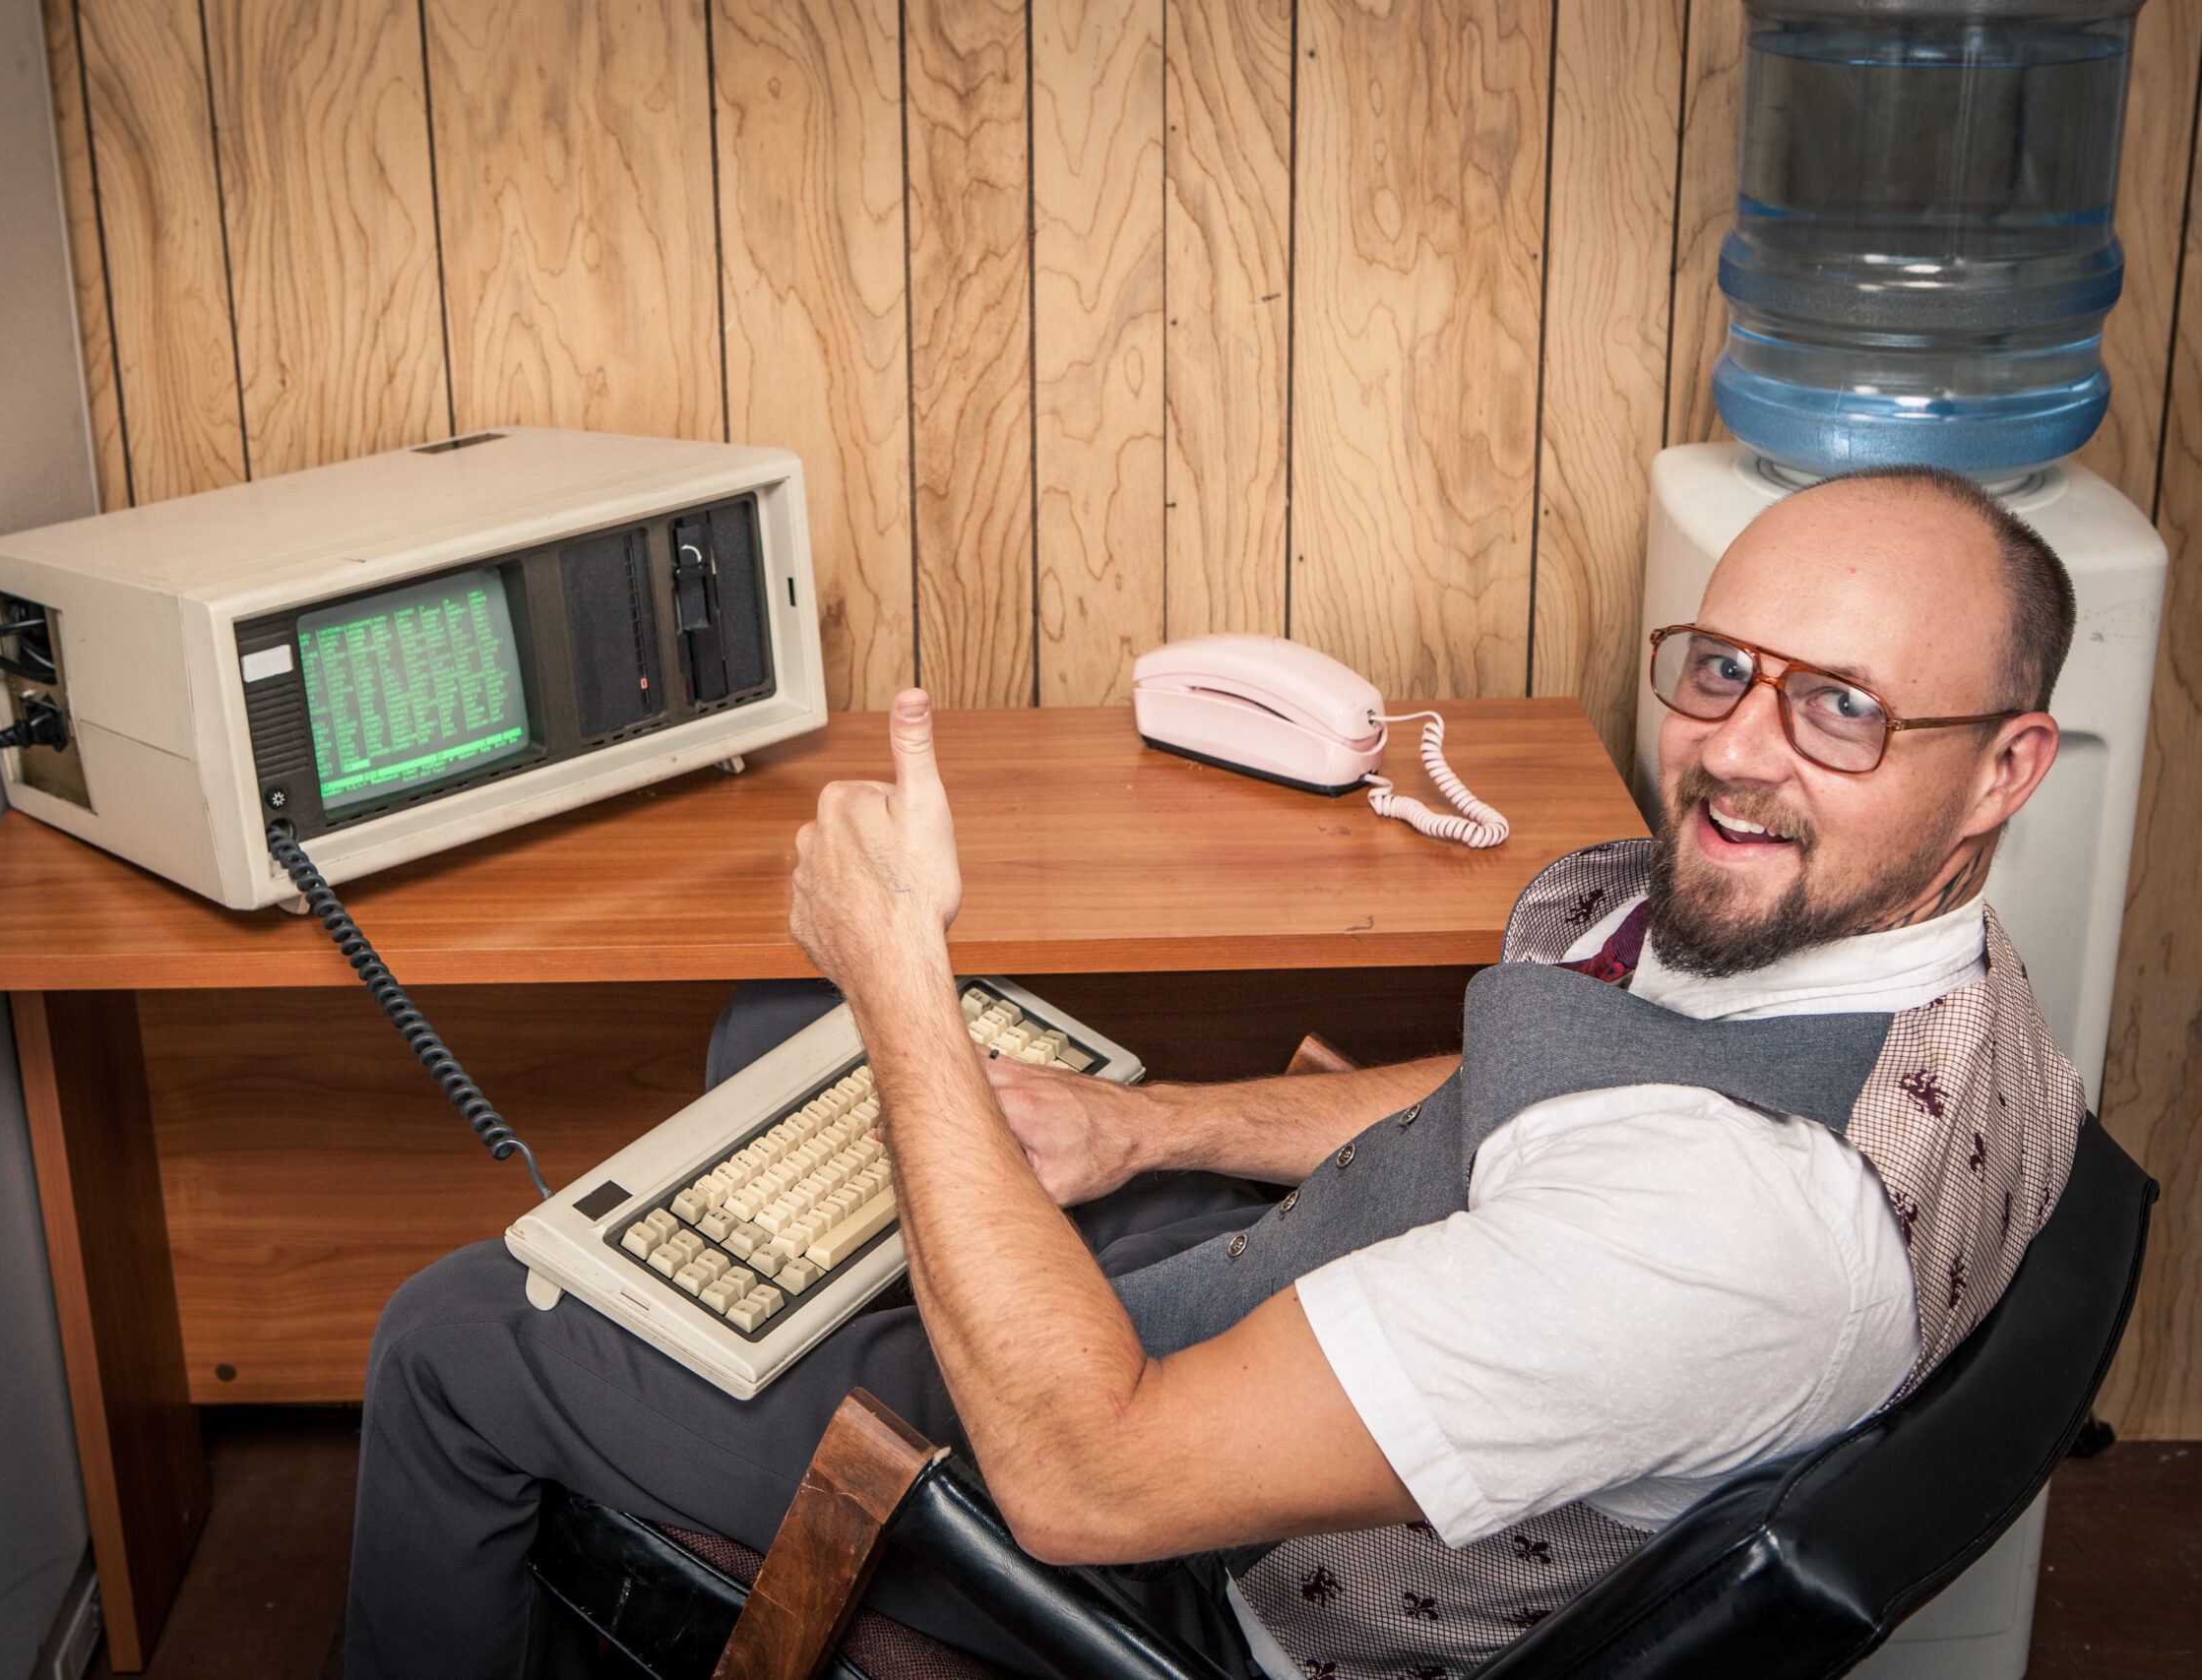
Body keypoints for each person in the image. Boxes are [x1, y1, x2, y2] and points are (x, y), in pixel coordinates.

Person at [344, 467, 2087, 1680]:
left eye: (1841, 710)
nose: (1733, 758)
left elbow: (1088, 1478)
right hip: (1328, 1313)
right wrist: (1145, 1127)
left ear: (2005, 767)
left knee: (449, 1343)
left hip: (1181, 1551)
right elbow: (1536, 1097)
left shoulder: (1727, 1228)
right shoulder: (1910, 985)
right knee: (765, 1052)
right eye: (1721, 672)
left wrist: (897, 976)